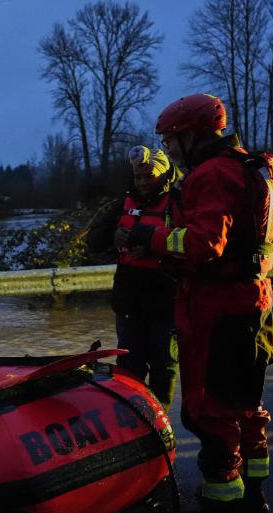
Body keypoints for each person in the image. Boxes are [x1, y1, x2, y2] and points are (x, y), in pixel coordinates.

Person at [124, 93, 273, 513]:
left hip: (218, 308)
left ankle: (222, 512)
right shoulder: (250, 166)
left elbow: (202, 245)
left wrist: (151, 239)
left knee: (208, 410)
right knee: (247, 403)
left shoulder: (211, 174)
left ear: (191, 135)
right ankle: (255, 496)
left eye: (172, 141)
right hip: (255, 301)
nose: (169, 151)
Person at [108, 146, 181, 412]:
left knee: (164, 364)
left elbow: (197, 246)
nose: (142, 183)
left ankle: (160, 418)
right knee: (128, 365)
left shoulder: (179, 202)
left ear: (162, 175)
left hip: (166, 300)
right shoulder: (123, 202)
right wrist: (114, 236)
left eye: (148, 177)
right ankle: (133, 418)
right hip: (130, 302)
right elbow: (95, 240)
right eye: (138, 177)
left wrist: (153, 245)